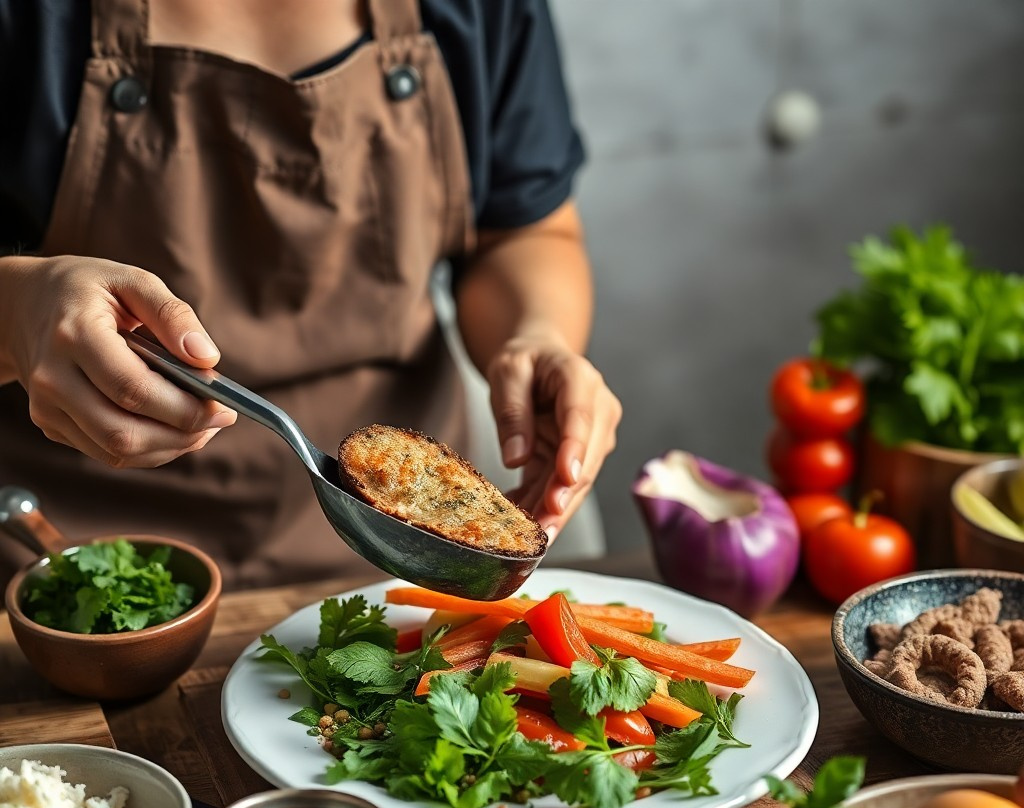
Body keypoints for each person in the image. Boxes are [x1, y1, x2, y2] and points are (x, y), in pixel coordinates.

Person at [0, 0, 621, 590]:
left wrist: (536, 333)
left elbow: (525, 230)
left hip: (393, 566)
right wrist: (17, 315)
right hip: (62, 564)